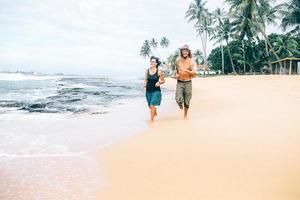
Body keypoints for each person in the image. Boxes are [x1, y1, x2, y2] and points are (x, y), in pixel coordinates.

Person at [172, 44, 197, 120]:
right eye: (183, 51)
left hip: (188, 82)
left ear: (188, 52)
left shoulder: (192, 61)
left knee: (187, 100)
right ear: (181, 52)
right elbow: (176, 69)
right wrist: (175, 74)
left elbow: (194, 72)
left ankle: (185, 115)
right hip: (179, 82)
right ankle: (180, 104)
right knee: (178, 99)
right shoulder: (178, 60)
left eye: (186, 51)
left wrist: (185, 70)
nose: (185, 52)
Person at [144, 56, 165, 122]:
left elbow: (163, 80)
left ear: (156, 63)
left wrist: (159, 82)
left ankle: (151, 120)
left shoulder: (159, 72)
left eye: (153, 61)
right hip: (148, 90)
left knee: (152, 105)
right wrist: (144, 87)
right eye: (151, 61)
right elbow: (146, 80)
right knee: (150, 106)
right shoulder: (147, 70)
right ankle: (154, 111)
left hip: (156, 91)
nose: (152, 62)